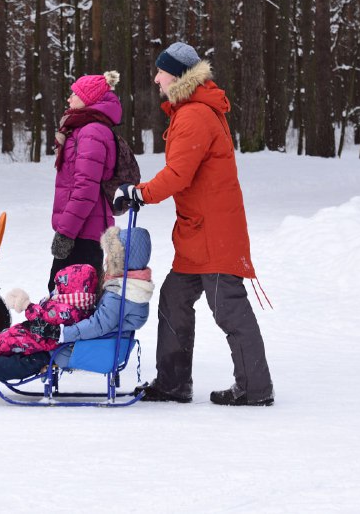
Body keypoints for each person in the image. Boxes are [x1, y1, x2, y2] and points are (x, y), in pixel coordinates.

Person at [114, 41, 274, 406]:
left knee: (229, 308)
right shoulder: (191, 111)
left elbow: (178, 175)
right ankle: (172, 383)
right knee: (174, 299)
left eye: (161, 72)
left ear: (177, 75)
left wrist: (139, 193)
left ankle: (255, 388)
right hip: (198, 231)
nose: (156, 79)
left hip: (213, 232)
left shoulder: (194, 115)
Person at [0, 226, 154, 389]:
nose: (107, 259)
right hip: (93, 345)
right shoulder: (122, 288)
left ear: (122, 260)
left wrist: (63, 333)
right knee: (27, 339)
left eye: (112, 255)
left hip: (89, 348)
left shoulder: (121, 294)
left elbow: (99, 325)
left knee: (34, 355)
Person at [49, 71, 122, 292]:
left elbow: (85, 189)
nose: (69, 99)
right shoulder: (82, 129)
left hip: (83, 231)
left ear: (89, 99)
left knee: (68, 298)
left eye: (74, 94)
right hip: (81, 228)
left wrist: (66, 233)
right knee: (65, 296)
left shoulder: (92, 132)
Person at [0, 264, 98, 364]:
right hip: (37, 334)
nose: (57, 290)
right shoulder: (76, 305)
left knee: (7, 341)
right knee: (8, 334)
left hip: (40, 340)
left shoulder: (67, 309)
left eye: (61, 287)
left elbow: (43, 317)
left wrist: (27, 305)